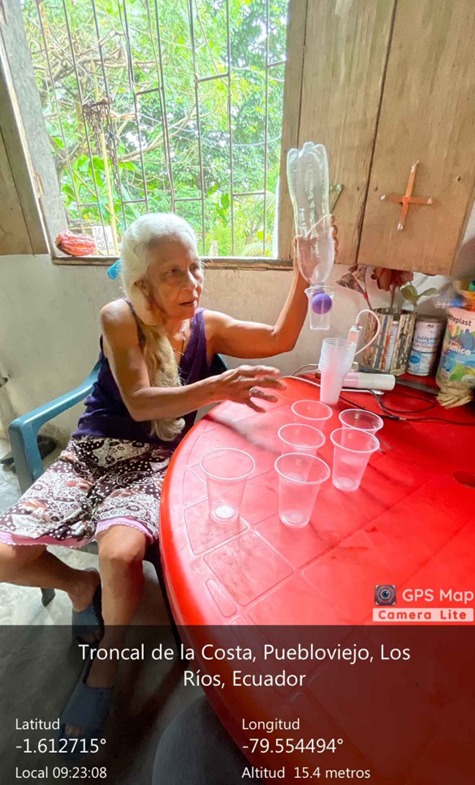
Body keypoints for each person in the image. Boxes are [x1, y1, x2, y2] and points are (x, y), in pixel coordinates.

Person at [0, 212, 334, 743]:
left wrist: (304, 274)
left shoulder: (207, 326)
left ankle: (105, 667)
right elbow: (138, 402)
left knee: (120, 554)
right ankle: (79, 586)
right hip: (94, 451)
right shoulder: (119, 317)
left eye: (195, 268)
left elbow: (278, 337)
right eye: (172, 272)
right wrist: (218, 387)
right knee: (5, 556)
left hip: (156, 461)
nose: (191, 283)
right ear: (142, 282)